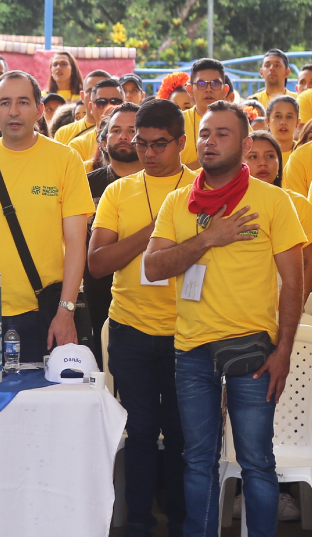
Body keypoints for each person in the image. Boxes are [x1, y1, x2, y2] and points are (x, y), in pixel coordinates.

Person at [144, 100, 304, 536]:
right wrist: (209, 238)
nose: (209, 141)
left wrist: (284, 350)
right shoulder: (180, 201)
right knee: (197, 461)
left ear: (245, 142)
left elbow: (294, 282)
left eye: (222, 134)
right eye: (204, 134)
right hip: (191, 350)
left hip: (252, 349)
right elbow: (153, 267)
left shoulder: (273, 201)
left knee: (257, 462)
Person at [87, 99, 194, 536]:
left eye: (159, 144)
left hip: (189, 331)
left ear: (182, 143)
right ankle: (138, 524)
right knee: (141, 430)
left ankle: (184, 522)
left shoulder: (201, 188)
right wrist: (152, 232)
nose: (149, 153)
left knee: (183, 434)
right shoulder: (118, 191)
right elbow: (96, 263)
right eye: (141, 143)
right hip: (131, 328)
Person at [0, 71, 95, 364]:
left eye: (24, 102)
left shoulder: (66, 160)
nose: (13, 111)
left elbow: (77, 244)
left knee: (44, 403)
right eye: (4, 103)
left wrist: (65, 311)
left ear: (40, 110)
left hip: (45, 310)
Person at [82, 103, 143, 364]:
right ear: (104, 141)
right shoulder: (85, 185)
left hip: (150, 302)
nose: (124, 136)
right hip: (97, 297)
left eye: (132, 130)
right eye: (116, 130)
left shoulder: (164, 186)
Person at [246, 130, 312, 307]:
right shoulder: (232, 206)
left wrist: (294, 307)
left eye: (270, 156)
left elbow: (309, 263)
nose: (262, 163)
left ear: (279, 162)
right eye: (253, 157)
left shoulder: (299, 204)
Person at [180, 58, 229, 170]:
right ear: (190, 89)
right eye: (201, 84)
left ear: (225, 90)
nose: (208, 89)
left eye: (215, 84)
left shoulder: (237, 122)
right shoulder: (176, 123)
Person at [69, 78, 125, 165]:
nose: (109, 106)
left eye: (115, 102)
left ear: (124, 105)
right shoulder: (77, 145)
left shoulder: (134, 140)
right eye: (101, 102)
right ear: (91, 107)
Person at [265, 95, 299, 167]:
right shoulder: (257, 153)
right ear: (267, 121)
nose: (283, 122)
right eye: (278, 116)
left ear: (298, 122)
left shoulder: (305, 153)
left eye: (289, 117)